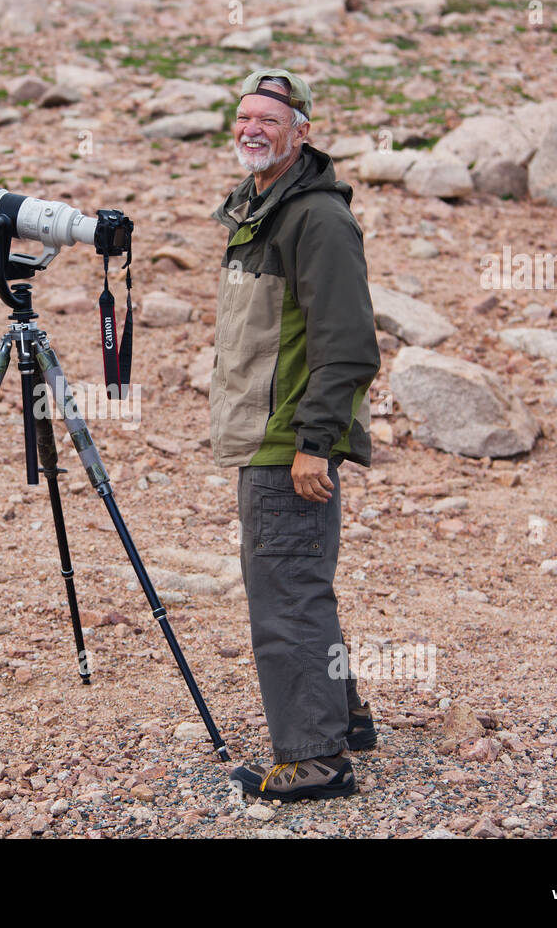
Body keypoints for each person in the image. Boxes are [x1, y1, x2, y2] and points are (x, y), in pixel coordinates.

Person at [209, 68, 382, 801]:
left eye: (269, 120)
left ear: (302, 131)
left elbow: (347, 342)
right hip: (267, 436)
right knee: (300, 584)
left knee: (284, 594)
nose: (252, 128)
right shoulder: (261, 209)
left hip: (288, 444)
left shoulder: (316, 218)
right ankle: (343, 719)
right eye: (244, 116)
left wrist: (317, 440)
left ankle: (313, 759)